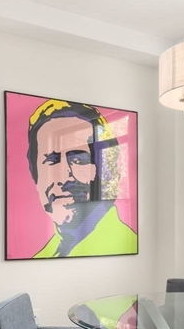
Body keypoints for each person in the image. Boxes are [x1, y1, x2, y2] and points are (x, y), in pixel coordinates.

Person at [26, 99, 137, 258]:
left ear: (106, 171)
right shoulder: (43, 255)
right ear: (34, 173)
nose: (64, 177)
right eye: (51, 160)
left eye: (79, 160)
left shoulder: (121, 246)